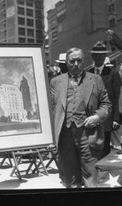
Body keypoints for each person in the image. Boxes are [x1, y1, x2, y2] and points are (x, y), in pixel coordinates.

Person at [49, 47, 111, 188]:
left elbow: (106, 104)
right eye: (72, 61)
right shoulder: (56, 82)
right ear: (66, 62)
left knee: (92, 177)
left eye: (79, 61)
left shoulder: (95, 79)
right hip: (64, 135)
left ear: (84, 61)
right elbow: (50, 109)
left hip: (88, 134)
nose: (75, 64)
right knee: (69, 180)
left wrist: (97, 116)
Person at [88, 41, 116, 158]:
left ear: (105, 57)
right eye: (96, 55)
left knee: (105, 145)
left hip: (107, 116)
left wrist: (116, 119)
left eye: (102, 55)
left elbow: (116, 96)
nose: (99, 57)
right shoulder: (87, 73)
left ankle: (105, 172)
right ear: (92, 56)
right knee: (93, 143)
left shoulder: (112, 73)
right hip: (92, 115)